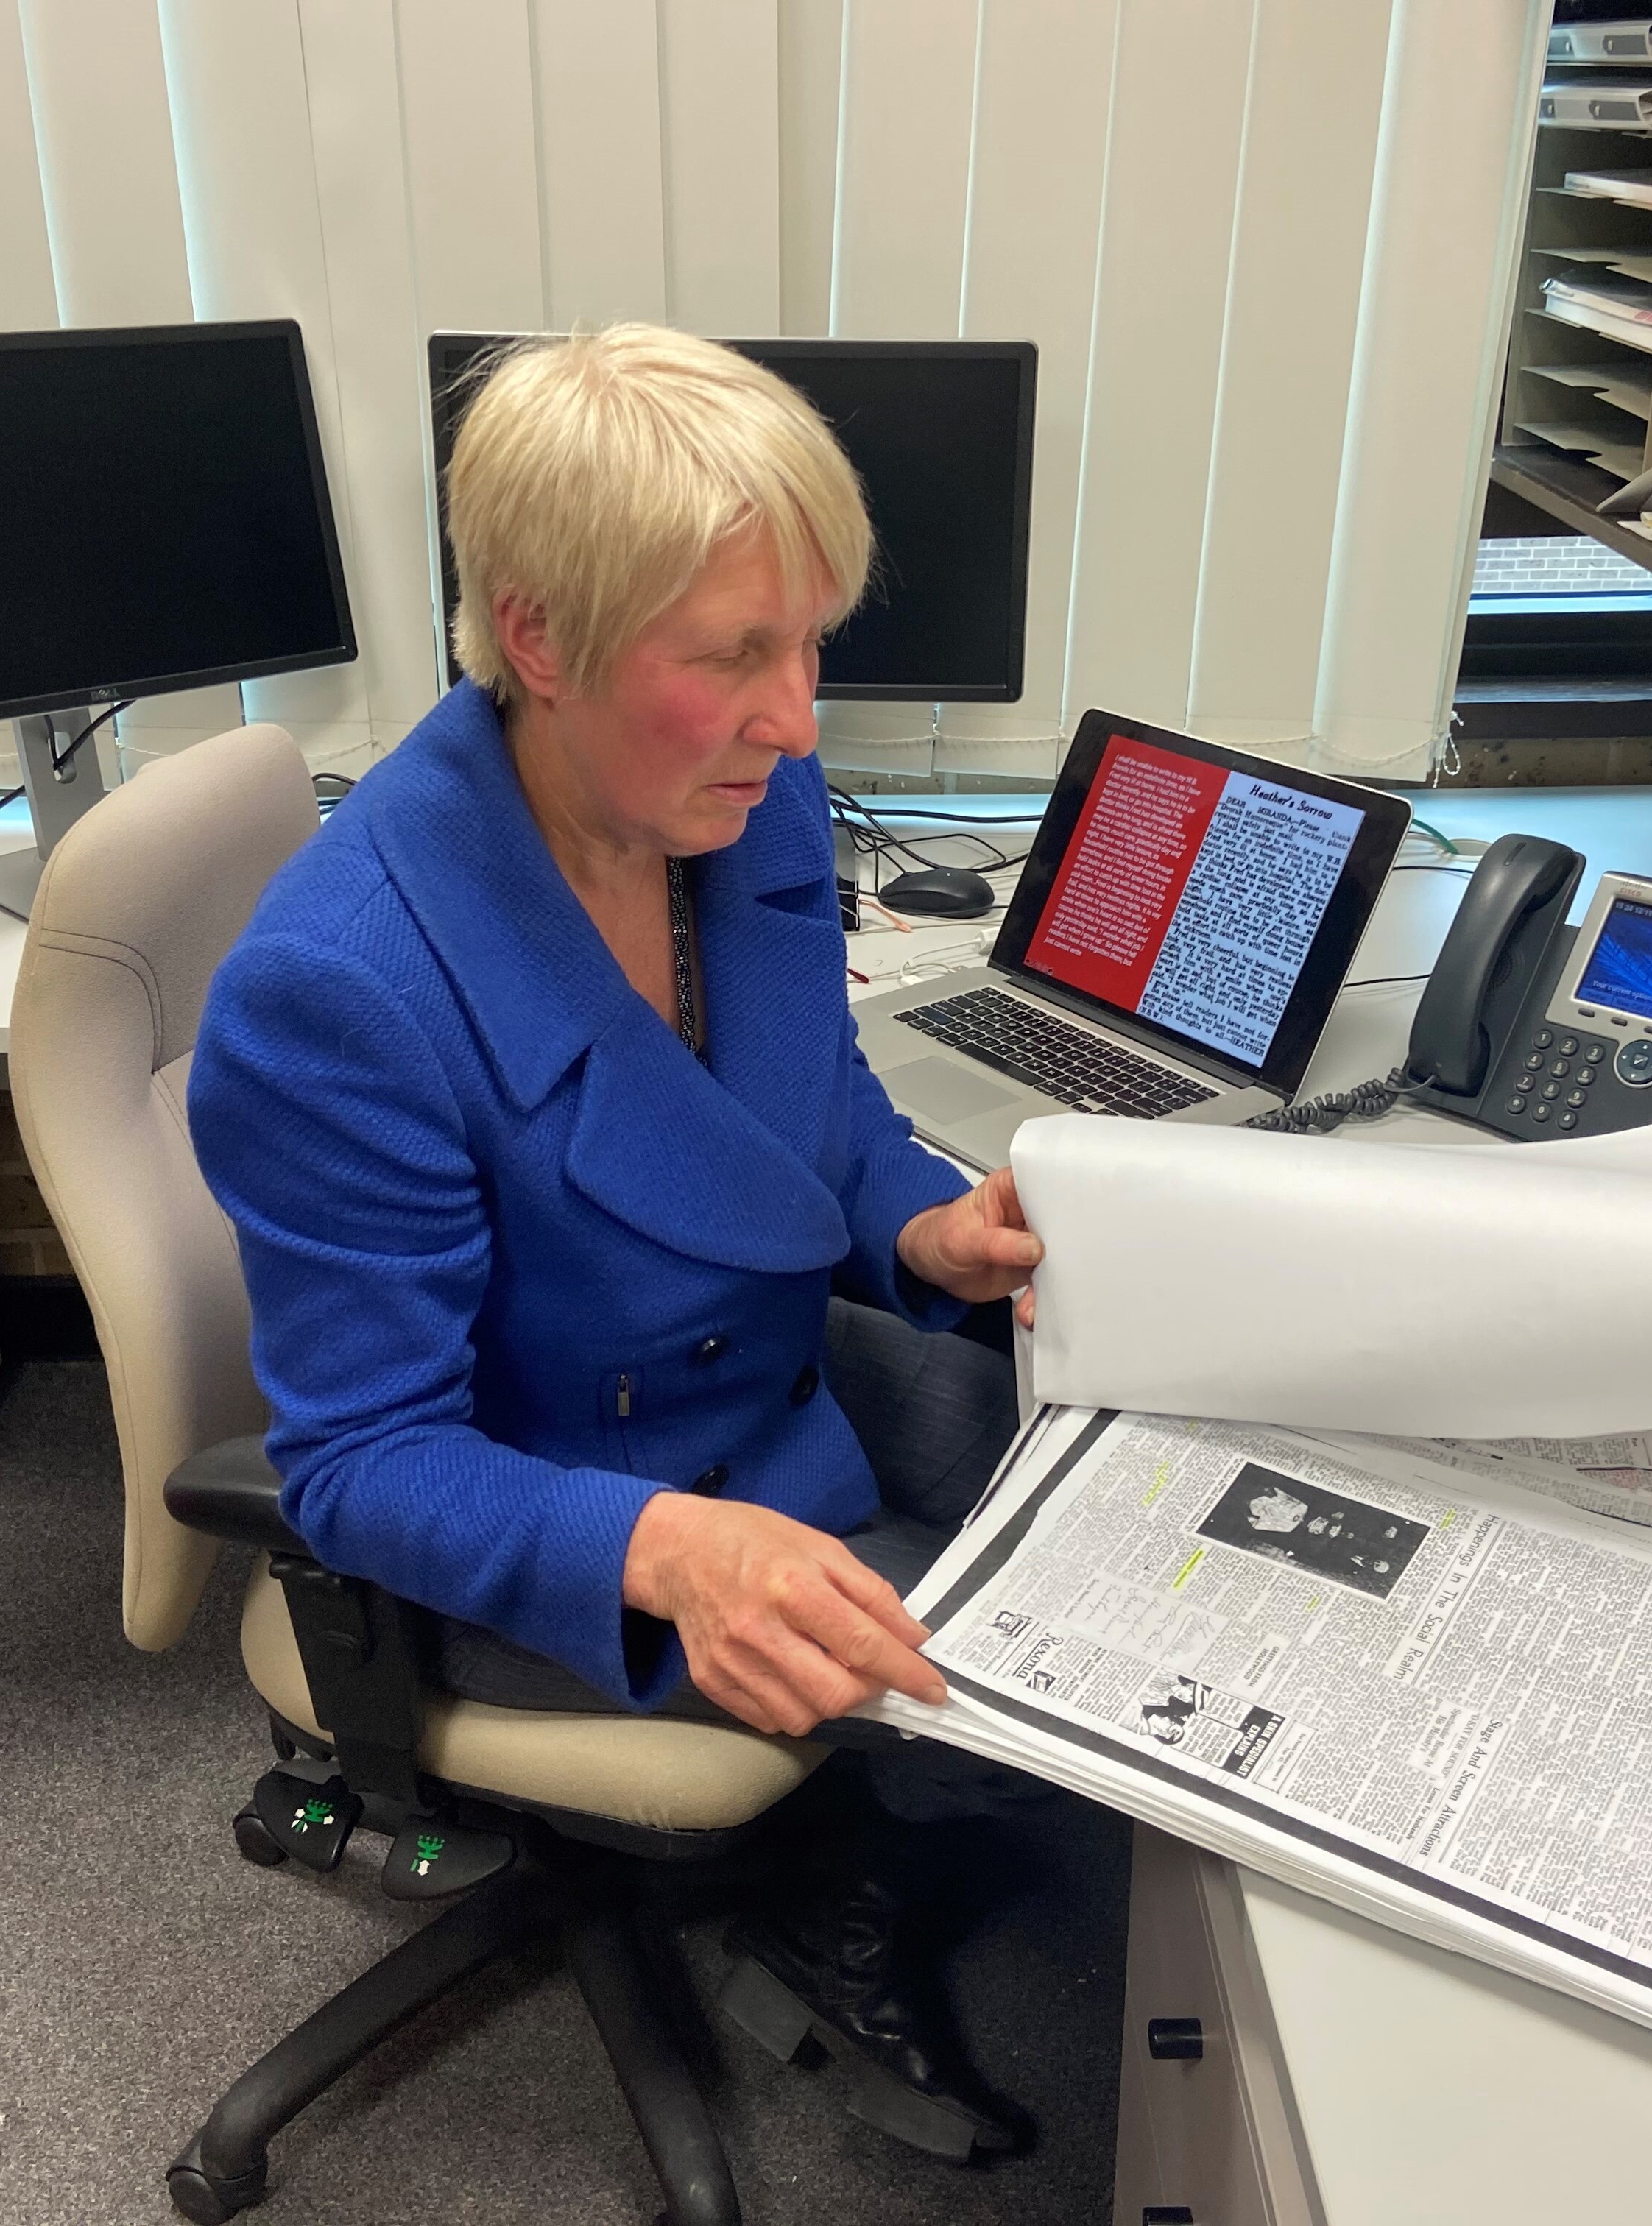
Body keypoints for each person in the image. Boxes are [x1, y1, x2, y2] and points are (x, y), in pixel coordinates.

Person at [188, 324, 1045, 2160]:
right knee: (1007, 1640)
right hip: (555, 1516)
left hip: (759, 1385)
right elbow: (360, 1458)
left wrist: (931, 1227)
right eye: (735, 654)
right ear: (541, 638)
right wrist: (667, 1550)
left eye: (812, 642)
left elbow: (818, 1122)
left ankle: (871, 1835)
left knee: (1101, 1494)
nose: (798, 714)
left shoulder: (737, 790)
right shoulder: (338, 992)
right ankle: (837, 1885)